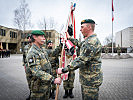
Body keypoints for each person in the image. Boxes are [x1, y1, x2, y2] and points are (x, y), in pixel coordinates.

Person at [57, 19, 103, 100]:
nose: (80, 29)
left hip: (90, 81)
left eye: (82, 27)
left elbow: (81, 60)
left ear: (89, 27)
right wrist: (69, 38)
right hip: (88, 80)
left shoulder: (91, 42)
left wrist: (64, 69)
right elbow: (80, 44)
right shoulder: (88, 41)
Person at [26, 30, 62, 100]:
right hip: (38, 89)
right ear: (34, 37)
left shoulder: (42, 50)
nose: (44, 38)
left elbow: (47, 66)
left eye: (44, 36)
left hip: (46, 86)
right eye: (42, 36)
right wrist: (53, 79)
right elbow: (37, 71)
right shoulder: (33, 53)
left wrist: (56, 70)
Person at [23, 33, 33, 100]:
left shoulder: (36, 46)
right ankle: (31, 93)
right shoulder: (26, 47)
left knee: (35, 81)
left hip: (34, 67)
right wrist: (24, 65)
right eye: (28, 37)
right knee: (29, 81)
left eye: (30, 37)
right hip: (28, 67)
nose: (29, 39)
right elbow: (24, 57)